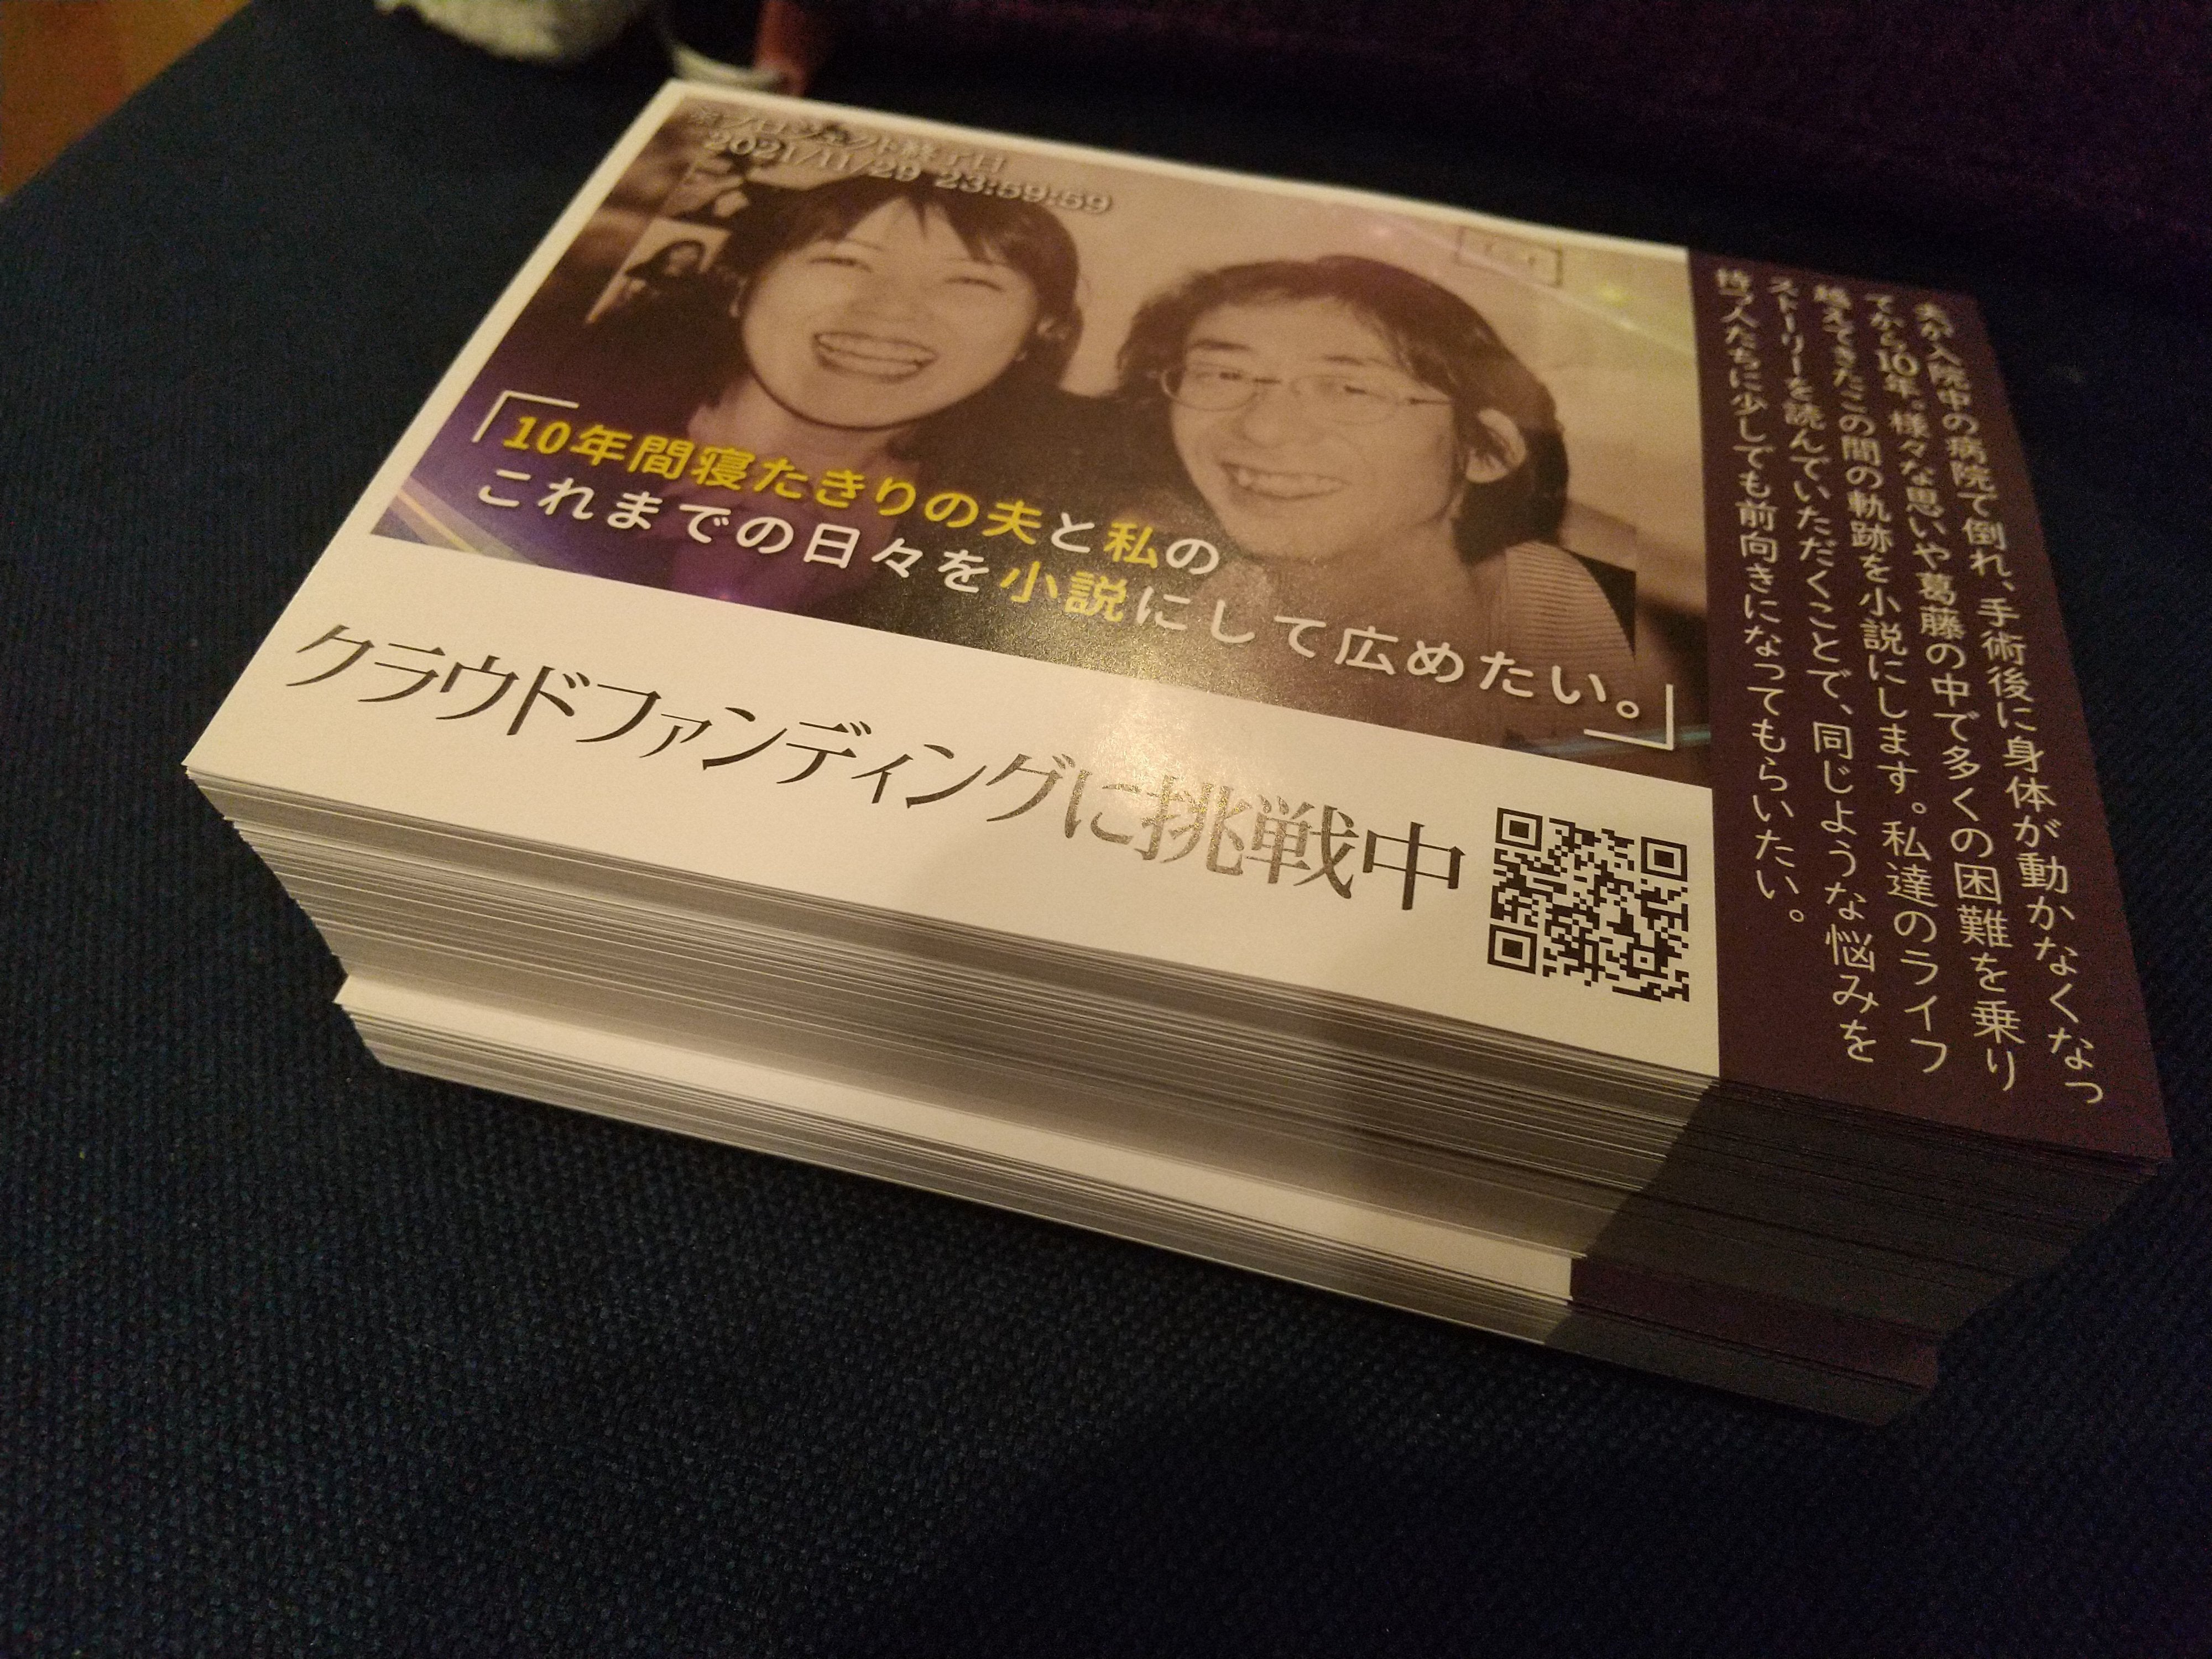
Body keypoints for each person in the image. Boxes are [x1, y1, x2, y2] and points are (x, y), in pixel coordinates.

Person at [1110, 255, 1685, 757]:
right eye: (1222, 374)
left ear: (1486, 451)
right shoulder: (1146, 592)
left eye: (1349, 389)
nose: (1262, 428)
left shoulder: (1627, 649)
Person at [654, 173, 1086, 608]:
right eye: (848, 263)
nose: (891, 309)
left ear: (1038, 332)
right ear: (742, 286)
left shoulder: (1016, 516)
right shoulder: (615, 407)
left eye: (969, 282)